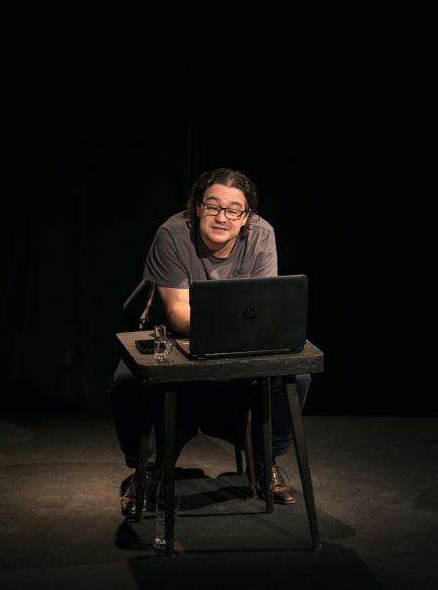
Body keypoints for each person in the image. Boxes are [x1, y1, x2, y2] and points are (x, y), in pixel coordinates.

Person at [109, 167, 312, 516]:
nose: (222, 217)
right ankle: (147, 468)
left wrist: (239, 326)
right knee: (125, 382)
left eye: (233, 210)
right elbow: (178, 315)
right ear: (197, 208)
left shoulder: (262, 234)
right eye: (212, 206)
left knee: (298, 376)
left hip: (238, 342)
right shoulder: (172, 234)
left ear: (245, 216)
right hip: (173, 340)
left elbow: (263, 305)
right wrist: (237, 322)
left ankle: (265, 460)